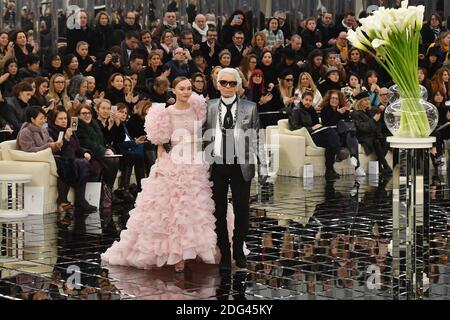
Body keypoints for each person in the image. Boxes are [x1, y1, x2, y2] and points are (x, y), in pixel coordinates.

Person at [102, 77, 218, 272]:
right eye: (182, 88)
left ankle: (196, 250)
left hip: (196, 161)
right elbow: (161, 145)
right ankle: (176, 255)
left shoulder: (198, 109)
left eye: (189, 88)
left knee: (196, 208)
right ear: (173, 90)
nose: (186, 92)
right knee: (172, 210)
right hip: (174, 162)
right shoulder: (165, 113)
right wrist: (159, 167)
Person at [203, 68, 268, 273]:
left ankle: (238, 247)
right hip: (217, 164)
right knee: (218, 210)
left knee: (241, 209)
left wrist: (264, 165)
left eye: (232, 83)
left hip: (242, 163)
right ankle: (224, 250)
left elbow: (257, 137)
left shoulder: (250, 107)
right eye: (224, 83)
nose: (228, 87)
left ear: (239, 85)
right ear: (217, 84)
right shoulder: (209, 106)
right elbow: (203, 135)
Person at [289, 91, 348, 180]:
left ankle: (329, 170)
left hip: (316, 133)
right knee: (330, 134)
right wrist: (312, 128)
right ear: (302, 100)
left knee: (330, 140)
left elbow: (317, 123)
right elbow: (294, 127)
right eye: (306, 100)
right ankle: (338, 151)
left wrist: (318, 127)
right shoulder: (296, 111)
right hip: (307, 136)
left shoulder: (312, 110)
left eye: (310, 100)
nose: (308, 102)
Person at [352, 91, 391, 175]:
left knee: (385, 140)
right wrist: (373, 120)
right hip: (363, 136)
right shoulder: (355, 113)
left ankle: (379, 164)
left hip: (374, 134)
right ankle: (385, 165)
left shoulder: (370, 110)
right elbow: (362, 128)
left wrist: (382, 108)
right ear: (359, 102)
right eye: (365, 100)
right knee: (376, 141)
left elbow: (380, 112)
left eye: (369, 100)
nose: (368, 102)